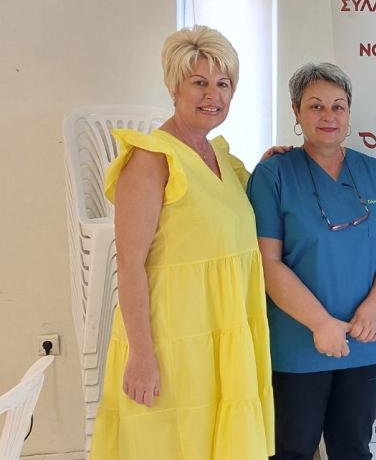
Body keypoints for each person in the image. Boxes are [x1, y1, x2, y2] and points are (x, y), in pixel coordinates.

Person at [90, 26, 277, 459]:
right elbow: (129, 264)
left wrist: (273, 166)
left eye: (223, 84)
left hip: (223, 335)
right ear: (174, 87)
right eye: (199, 82)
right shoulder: (151, 158)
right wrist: (141, 355)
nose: (213, 95)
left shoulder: (224, 158)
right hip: (174, 340)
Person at [247, 62, 376, 460]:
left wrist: (375, 305)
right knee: (291, 451)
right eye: (316, 106)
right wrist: (320, 323)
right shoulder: (273, 175)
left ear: (349, 112)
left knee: (353, 450)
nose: (329, 116)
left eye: (338, 106)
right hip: (297, 343)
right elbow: (268, 262)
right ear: (296, 111)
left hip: (364, 340)